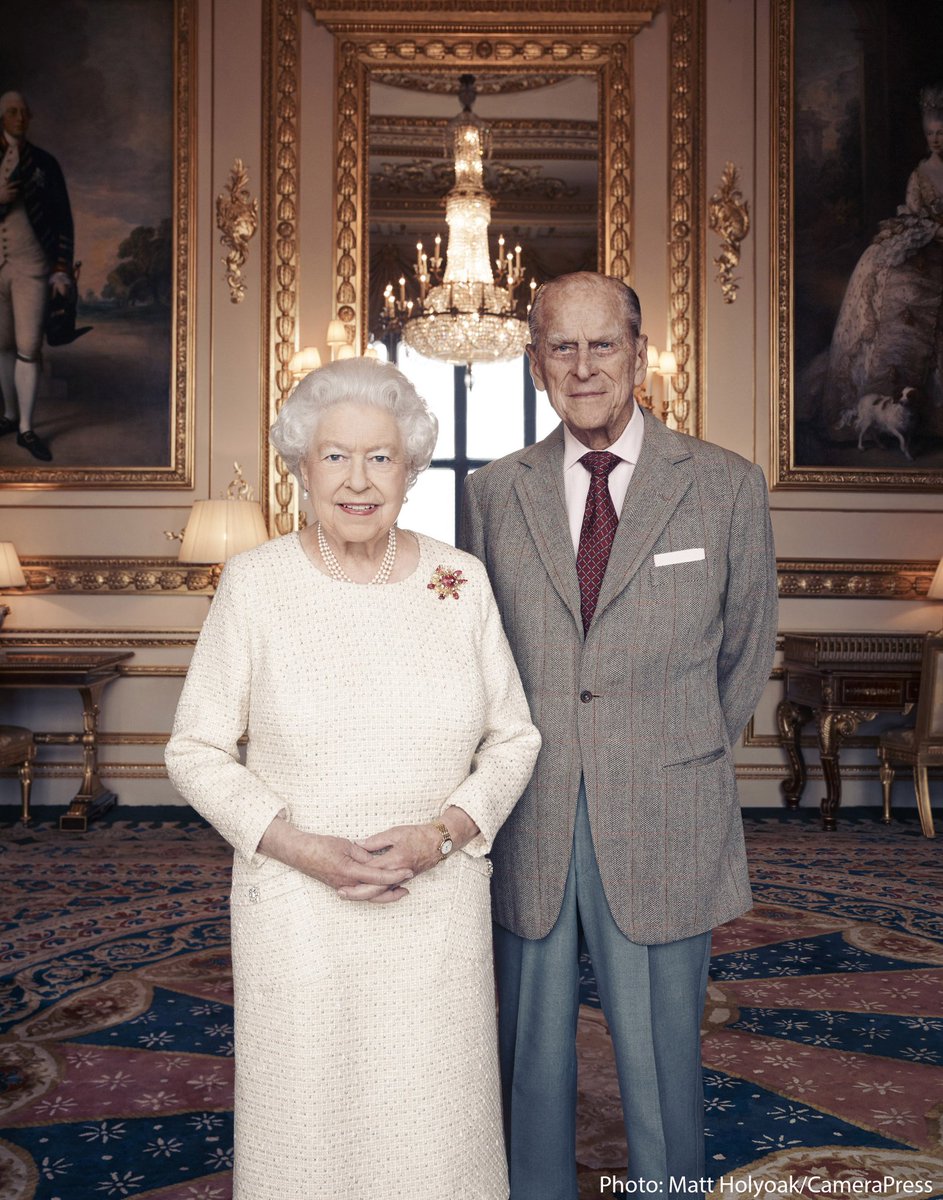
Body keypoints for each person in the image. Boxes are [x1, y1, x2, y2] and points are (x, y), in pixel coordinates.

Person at [165, 357, 540, 1200]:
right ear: (300, 468)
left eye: (381, 457)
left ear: (411, 470)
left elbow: (514, 740)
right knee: (310, 1124)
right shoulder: (256, 584)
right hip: (299, 912)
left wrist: (443, 834)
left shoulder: (460, 582)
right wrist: (301, 849)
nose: (358, 480)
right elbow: (194, 749)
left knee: (433, 1124)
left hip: (433, 908)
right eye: (335, 457)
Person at [461, 271, 778, 1198]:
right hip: (531, 814)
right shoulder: (490, 495)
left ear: (640, 355)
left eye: (604, 344)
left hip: (666, 808)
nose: (584, 365)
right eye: (562, 346)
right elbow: (478, 657)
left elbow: (746, 649)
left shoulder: (723, 486)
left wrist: (670, 751)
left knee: (661, 1067)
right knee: (526, 1059)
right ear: (534, 365)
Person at [820, 83, 943, 444]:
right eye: (930, 134)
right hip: (925, 245)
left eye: (941, 133)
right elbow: (918, 216)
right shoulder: (921, 174)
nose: (935, 140)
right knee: (894, 288)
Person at [0, 91, 75, 463]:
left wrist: (61, 269)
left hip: (31, 266)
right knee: (3, 344)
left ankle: (26, 429)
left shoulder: (45, 163)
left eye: (24, 112)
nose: (19, 118)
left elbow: (63, 220)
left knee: (29, 347)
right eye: (12, 112)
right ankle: (10, 416)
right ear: (1, 117)